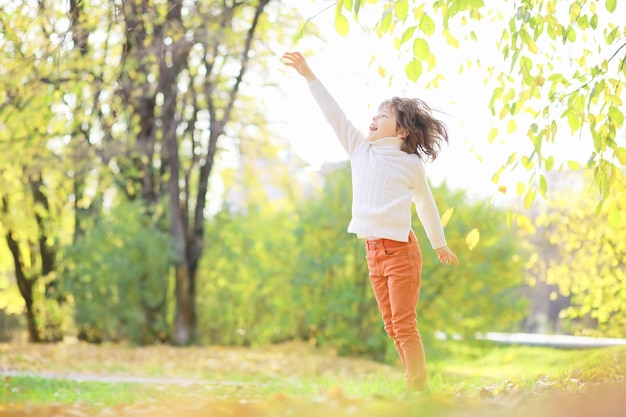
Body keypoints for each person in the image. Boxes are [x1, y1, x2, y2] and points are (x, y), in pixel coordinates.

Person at [283, 51, 459, 394]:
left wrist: (439, 243)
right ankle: (414, 384)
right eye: (375, 113)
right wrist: (309, 76)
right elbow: (334, 115)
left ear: (403, 130)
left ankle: (417, 389)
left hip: (401, 253)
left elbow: (425, 204)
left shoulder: (410, 165)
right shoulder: (360, 149)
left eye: (384, 114)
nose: (374, 117)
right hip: (373, 253)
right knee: (392, 326)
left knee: (405, 325)